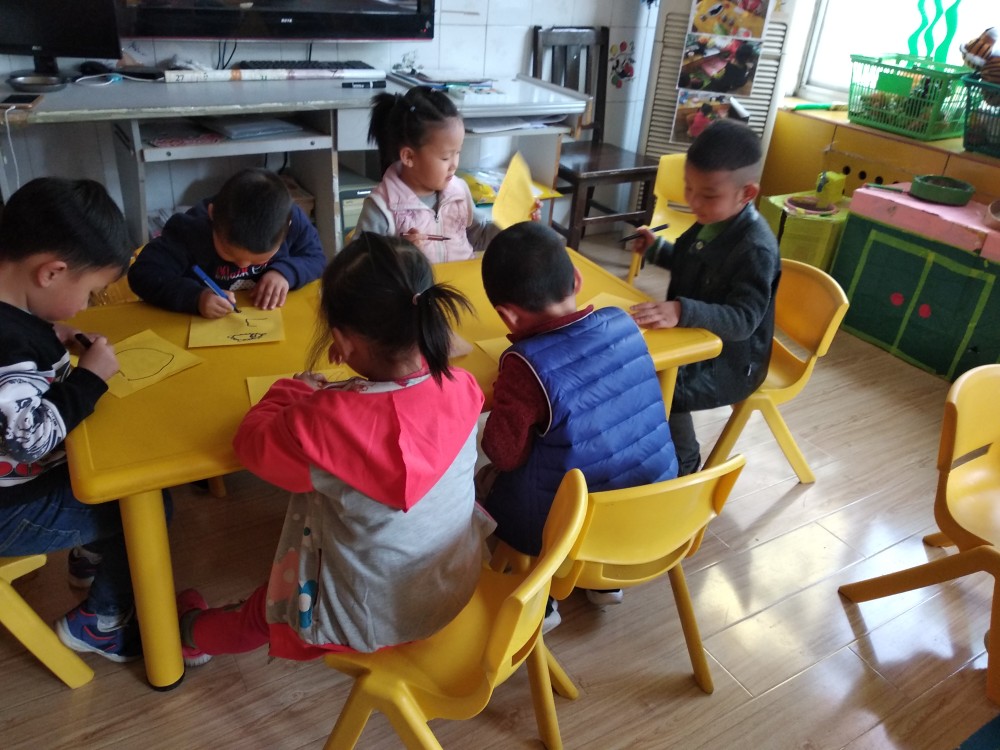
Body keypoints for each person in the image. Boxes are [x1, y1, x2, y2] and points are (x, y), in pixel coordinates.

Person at [175, 232, 494, 665]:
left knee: (271, 605)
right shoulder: (462, 385)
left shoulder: (326, 420)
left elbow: (251, 446)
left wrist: (290, 389)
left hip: (366, 617)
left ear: (342, 344)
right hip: (450, 585)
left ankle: (190, 634)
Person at [478, 222, 678, 627]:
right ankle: (603, 583)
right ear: (577, 279)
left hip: (568, 529)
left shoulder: (524, 366)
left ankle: (543, 600)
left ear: (507, 315)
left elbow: (503, 453)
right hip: (652, 510)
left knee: (483, 478)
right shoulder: (623, 323)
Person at [0, 177, 145, 661]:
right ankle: (100, 623)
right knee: (142, 506)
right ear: (52, 272)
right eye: (90, 293)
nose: (86, 307)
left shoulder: (14, 311)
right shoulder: (8, 345)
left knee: (119, 474)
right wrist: (90, 379)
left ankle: (88, 558)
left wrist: (48, 328)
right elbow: (29, 438)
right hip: (9, 508)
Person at [629, 119, 781, 477]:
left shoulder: (755, 248)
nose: (693, 201)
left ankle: (685, 462)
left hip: (730, 365)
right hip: (693, 341)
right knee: (634, 363)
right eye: (688, 187)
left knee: (658, 379)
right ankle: (648, 440)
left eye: (708, 195)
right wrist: (657, 250)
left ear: (747, 193)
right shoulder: (713, 217)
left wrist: (682, 310)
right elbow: (691, 263)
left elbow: (743, 319)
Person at [128, 167, 325, 318]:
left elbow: (316, 258)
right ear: (212, 215)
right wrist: (196, 298)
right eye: (229, 253)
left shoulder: (290, 221)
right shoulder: (190, 230)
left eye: (258, 261)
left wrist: (286, 273)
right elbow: (143, 274)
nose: (242, 265)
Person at [355, 85, 501, 263]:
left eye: (458, 152)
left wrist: (515, 226)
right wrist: (397, 254)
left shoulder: (459, 192)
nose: (454, 164)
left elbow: (478, 237)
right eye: (445, 157)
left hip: (461, 280)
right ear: (409, 157)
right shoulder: (383, 208)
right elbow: (359, 265)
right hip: (418, 282)